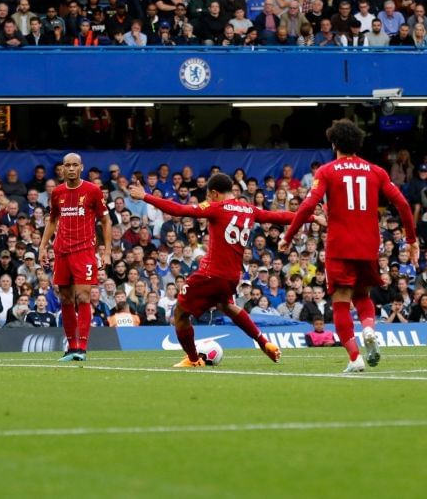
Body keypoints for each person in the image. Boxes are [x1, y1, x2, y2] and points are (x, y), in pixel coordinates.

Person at [129, 173, 315, 367]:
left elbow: (179, 210)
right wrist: (312, 218)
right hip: (232, 277)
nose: (208, 199)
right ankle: (264, 342)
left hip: (211, 274)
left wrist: (145, 196)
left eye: (209, 196)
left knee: (180, 313)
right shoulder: (248, 209)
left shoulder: (216, 208)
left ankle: (193, 359)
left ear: (215, 193)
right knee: (226, 306)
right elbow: (281, 216)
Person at [280, 119, 418, 373]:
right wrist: (411, 240)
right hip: (368, 246)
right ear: (358, 144)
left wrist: (288, 236)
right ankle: (368, 329)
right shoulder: (377, 171)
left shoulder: (326, 171)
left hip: (340, 245)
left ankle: (355, 357)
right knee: (362, 295)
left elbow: (308, 206)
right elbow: (403, 206)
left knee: (341, 300)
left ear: (334, 144)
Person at [39, 153, 112, 362]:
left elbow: (106, 222)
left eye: (74, 165)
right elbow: (52, 220)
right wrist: (43, 247)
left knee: (83, 296)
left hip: (84, 252)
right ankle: (71, 347)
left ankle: (82, 348)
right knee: (65, 298)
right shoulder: (57, 193)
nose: (70, 169)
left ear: (81, 167)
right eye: (67, 165)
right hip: (61, 251)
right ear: (62, 168)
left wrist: (106, 252)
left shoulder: (93, 191)